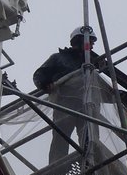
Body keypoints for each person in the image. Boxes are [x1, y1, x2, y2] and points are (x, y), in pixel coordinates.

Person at [33, 27, 104, 162]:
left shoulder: (91, 63)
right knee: (61, 137)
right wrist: (46, 83)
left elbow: (98, 87)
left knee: (90, 137)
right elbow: (39, 74)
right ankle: (56, 171)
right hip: (65, 103)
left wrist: (117, 94)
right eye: (90, 41)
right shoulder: (59, 58)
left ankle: (91, 165)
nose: (93, 45)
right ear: (78, 41)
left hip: (86, 104)